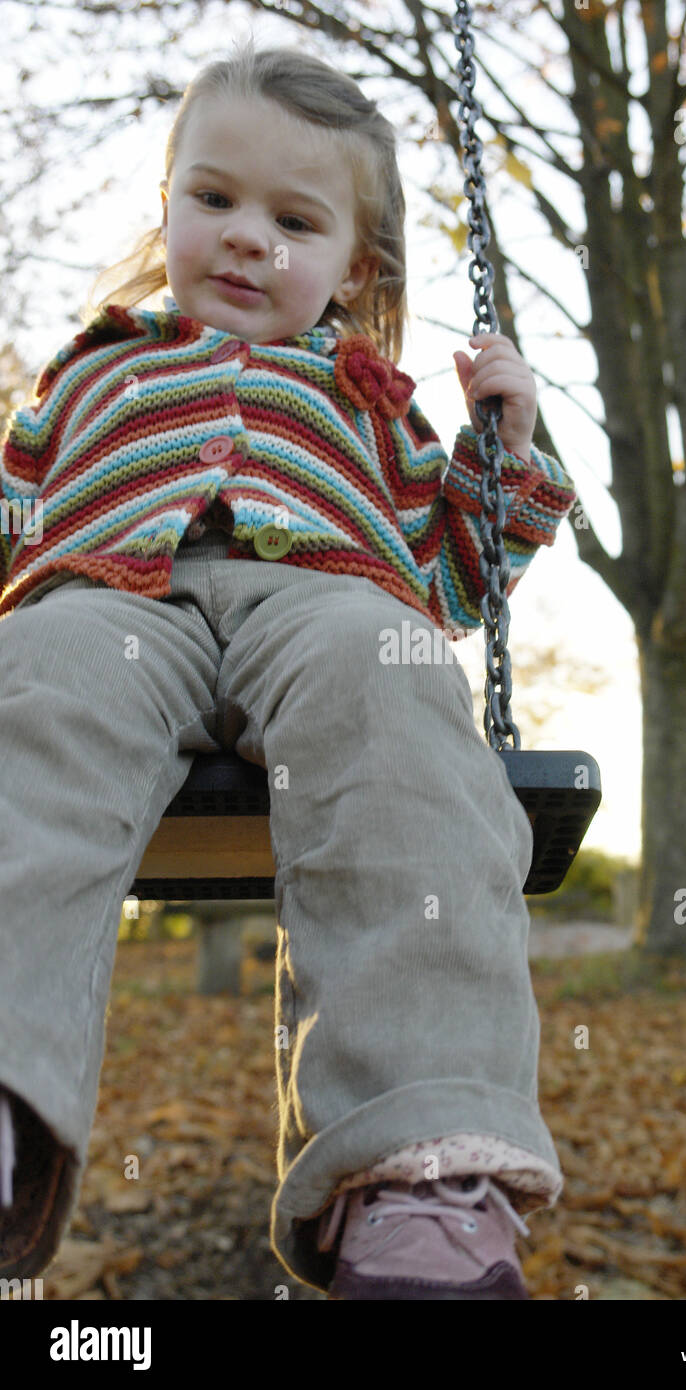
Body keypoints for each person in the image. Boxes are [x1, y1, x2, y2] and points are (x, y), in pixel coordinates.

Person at [0, 37, 577, 1301]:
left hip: (326, 604)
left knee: (398, 686)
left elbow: (450, 581)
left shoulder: (367, 395)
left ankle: (420, 1172)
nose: (247, 236)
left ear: (352, 266)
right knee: (26, 698)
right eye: (214, 198)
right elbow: (14, 503)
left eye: (293, 217)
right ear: (167, 207)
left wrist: (503, 453)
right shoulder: (93, 366)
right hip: (105, 599)